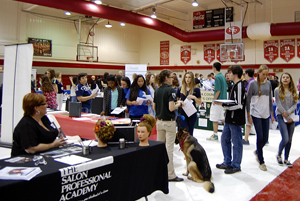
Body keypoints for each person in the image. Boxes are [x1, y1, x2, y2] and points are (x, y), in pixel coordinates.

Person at [153, 69, 184, 182]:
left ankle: (158, 171)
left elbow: (154, 108)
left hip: (159, 122)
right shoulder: (170, 90)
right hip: (169, 122)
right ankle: (170, 175)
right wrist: (179, 104)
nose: (173, 79)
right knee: (169, 149)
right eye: (171, 77)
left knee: (159, 148)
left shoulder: (157, 90)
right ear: (166, 78)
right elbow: (171, 108)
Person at [215, 65, 246, 174]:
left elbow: (239, 105)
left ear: (235, 74)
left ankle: (236, 165)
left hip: (235, 118)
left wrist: (224, 105)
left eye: (230, 72)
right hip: (230, 118)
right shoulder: (235, 85)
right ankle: (227, 162)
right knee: (224, 139)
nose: (228, 74)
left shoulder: (239, 86)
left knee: (236, 142)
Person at [247, 65, 275, 171]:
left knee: (265, 138)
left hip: (266, 113)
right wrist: (249, 115)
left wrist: (272, 115)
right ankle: (262, 161)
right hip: (256, 113)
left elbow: (269, 100)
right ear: (258, 73)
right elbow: (248, 100)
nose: (265, 76)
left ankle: (258, 151)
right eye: (263, 74)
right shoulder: (253, 84)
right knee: (260, 136)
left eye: (267, 74)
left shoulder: (268, 83)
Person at [275, 72, 298, 168]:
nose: (285, 79)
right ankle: (279, 154)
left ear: (290, 79)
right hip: (281, 115)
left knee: (290, 139)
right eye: (283, 77)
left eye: (287, 77)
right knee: (285, 138)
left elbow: (295, 104)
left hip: (291, 116)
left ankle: (286, 158)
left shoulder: (293, 91)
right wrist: (286, 115)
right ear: (281, 79)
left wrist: (288, 114)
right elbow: (278, 104)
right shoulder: (277, 90)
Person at [207, 62, 227, 141]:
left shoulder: (218, 77)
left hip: (218, 100)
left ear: (214, 68)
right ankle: (230, 131)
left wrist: (214, 100)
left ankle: (215, 134)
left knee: (215, 118)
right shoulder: (222, 76)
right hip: (223, 100)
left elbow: (218, 91)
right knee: (221, 117)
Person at [176, 71, 201, 136]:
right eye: (186, 77)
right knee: (182, 131)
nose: (187, 79)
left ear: (192, 78)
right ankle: (182, 145)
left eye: (189, 77)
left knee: (190, 133)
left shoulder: (196, 89)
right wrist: (179, 102)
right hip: (182, 113)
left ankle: (189, 146)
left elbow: (200, 102)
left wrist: (194, 97)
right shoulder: (180, 88)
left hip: (192, 113)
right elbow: (176, 100)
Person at [243, 68, 256, 145]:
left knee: (248, 119)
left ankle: (246, 139)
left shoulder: (250, 82)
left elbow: (248, 94)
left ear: (247, 74)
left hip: (250, 103)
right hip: (254, 103)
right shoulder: (254, 81)